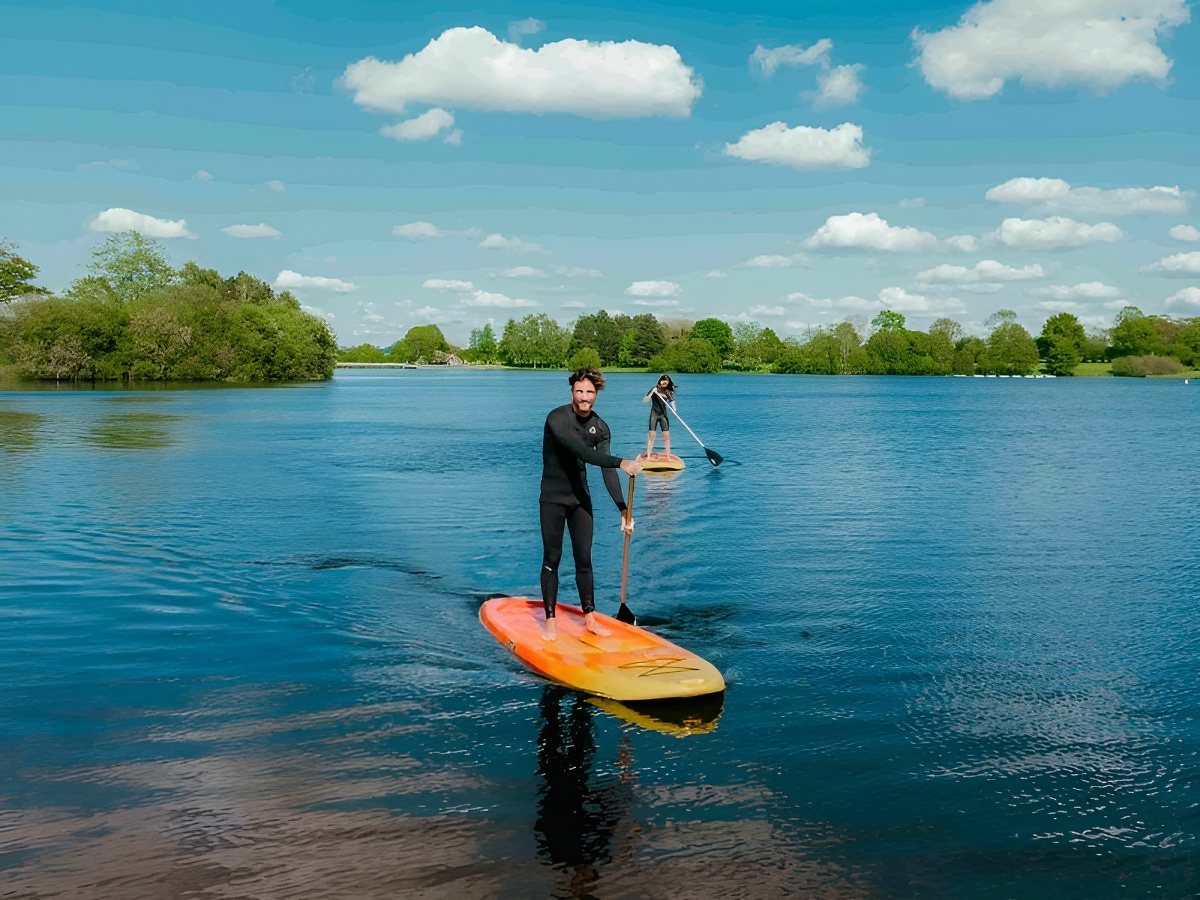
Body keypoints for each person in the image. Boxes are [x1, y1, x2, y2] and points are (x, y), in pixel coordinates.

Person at [540, 366, 641, 641]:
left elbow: (605, 471)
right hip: (552, 498)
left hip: (579, 499)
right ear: (572, 391)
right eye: (579, 391)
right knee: (553, 558)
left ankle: (591, 618)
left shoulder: (601, 428)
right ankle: (550, 621)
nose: (584, 397)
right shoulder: (557, 419)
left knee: (584, 560)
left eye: (589, 392)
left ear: (597, 394)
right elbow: (580, 451)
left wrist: (623, 508)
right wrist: (622, 462)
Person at [641, 374, 676, 459]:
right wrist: (652, 392)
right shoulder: (655, 389)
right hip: (654, 414)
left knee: (666, 436)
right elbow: (645, 400)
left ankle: (668, 456)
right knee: (652, 435)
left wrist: (674, 408)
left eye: (666, 382)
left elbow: (672, 401)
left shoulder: (668, 391)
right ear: (660, 381)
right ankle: (649, 455)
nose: (664, 383)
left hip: (663, 415)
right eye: (663, 381)